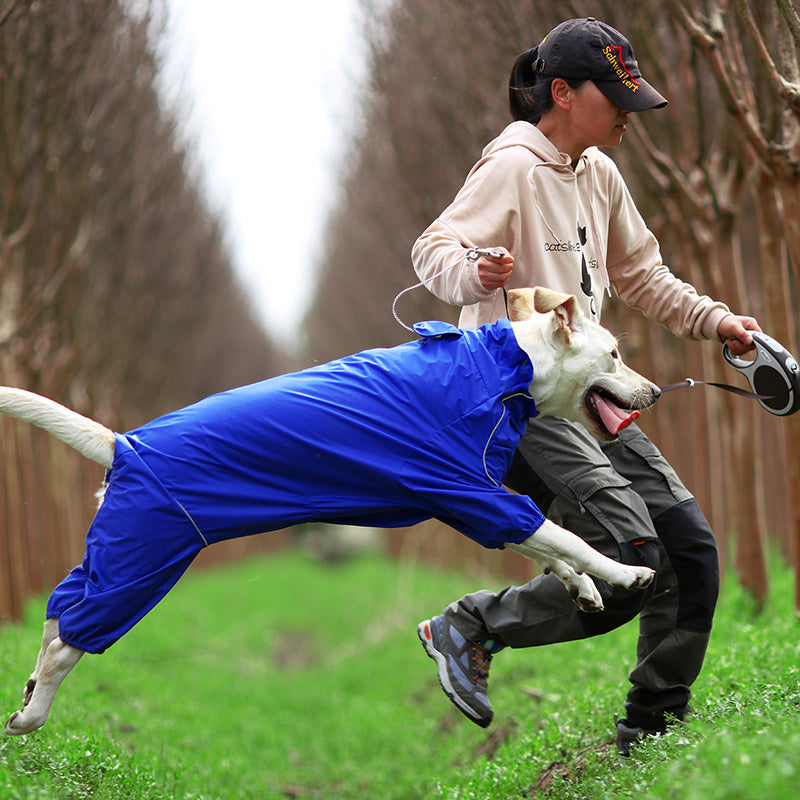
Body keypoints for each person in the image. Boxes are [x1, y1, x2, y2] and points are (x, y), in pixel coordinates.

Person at [412, 17, 761, 756]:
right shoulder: (511, 166)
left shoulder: (599, 172)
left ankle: (653, 727)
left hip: (590, 399)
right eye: (616, 96)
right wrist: (474, 273)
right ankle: (473, 624)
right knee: (624, 549)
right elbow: (433, 249)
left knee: (687, 549)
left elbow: (641, 274)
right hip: (519, 404)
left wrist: (718, 322)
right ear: (564, 94)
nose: (630, 113)